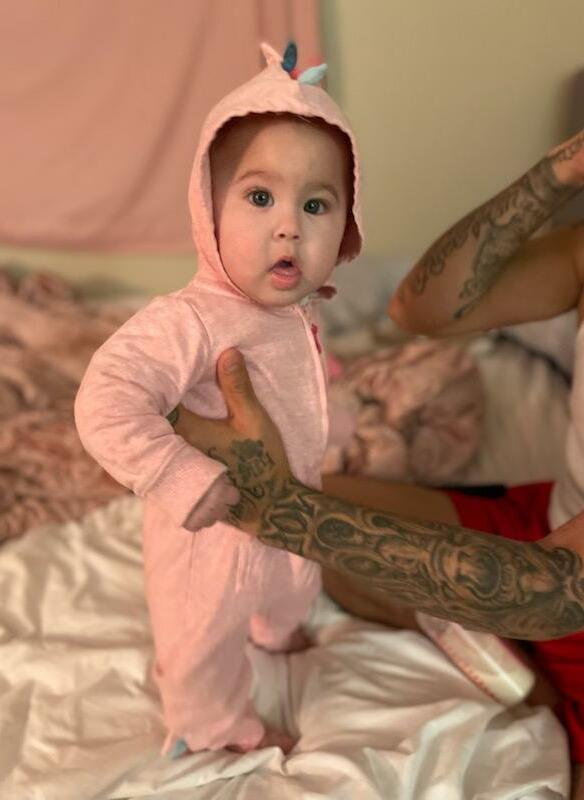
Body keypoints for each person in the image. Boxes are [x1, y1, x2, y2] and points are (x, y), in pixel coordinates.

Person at [171, 129, 584, 792]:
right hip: (551, 522)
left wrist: (273, 507)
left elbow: (554, 592)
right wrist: (558, 172)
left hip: (559, 583)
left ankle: (545, 704)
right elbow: (422, 308)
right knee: (333, 511)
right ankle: (525, 681)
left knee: (309, 526)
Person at [74, 42, 364, 756]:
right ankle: (212, 727)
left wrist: (336, 423)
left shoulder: (296, 310)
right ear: (208, 208)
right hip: (211, 532)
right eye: (260, 198)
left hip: (290, 507)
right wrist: (178, 474)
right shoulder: (190, 320)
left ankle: (276, 631)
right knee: (200, 636)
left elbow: (300, 382)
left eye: (316, 204)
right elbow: (105, 399)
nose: (290, 225)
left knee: (291, 587)